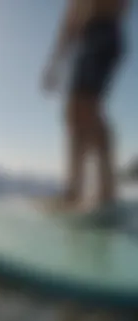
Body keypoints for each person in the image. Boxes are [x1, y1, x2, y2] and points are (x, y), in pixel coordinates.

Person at [42, 0, 129, 212]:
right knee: (75, 113)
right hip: (90, 36)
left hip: (103, 31)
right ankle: (74, 191)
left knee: (86, 108)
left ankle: (105, 193)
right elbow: (72, 16)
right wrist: (56, 61)